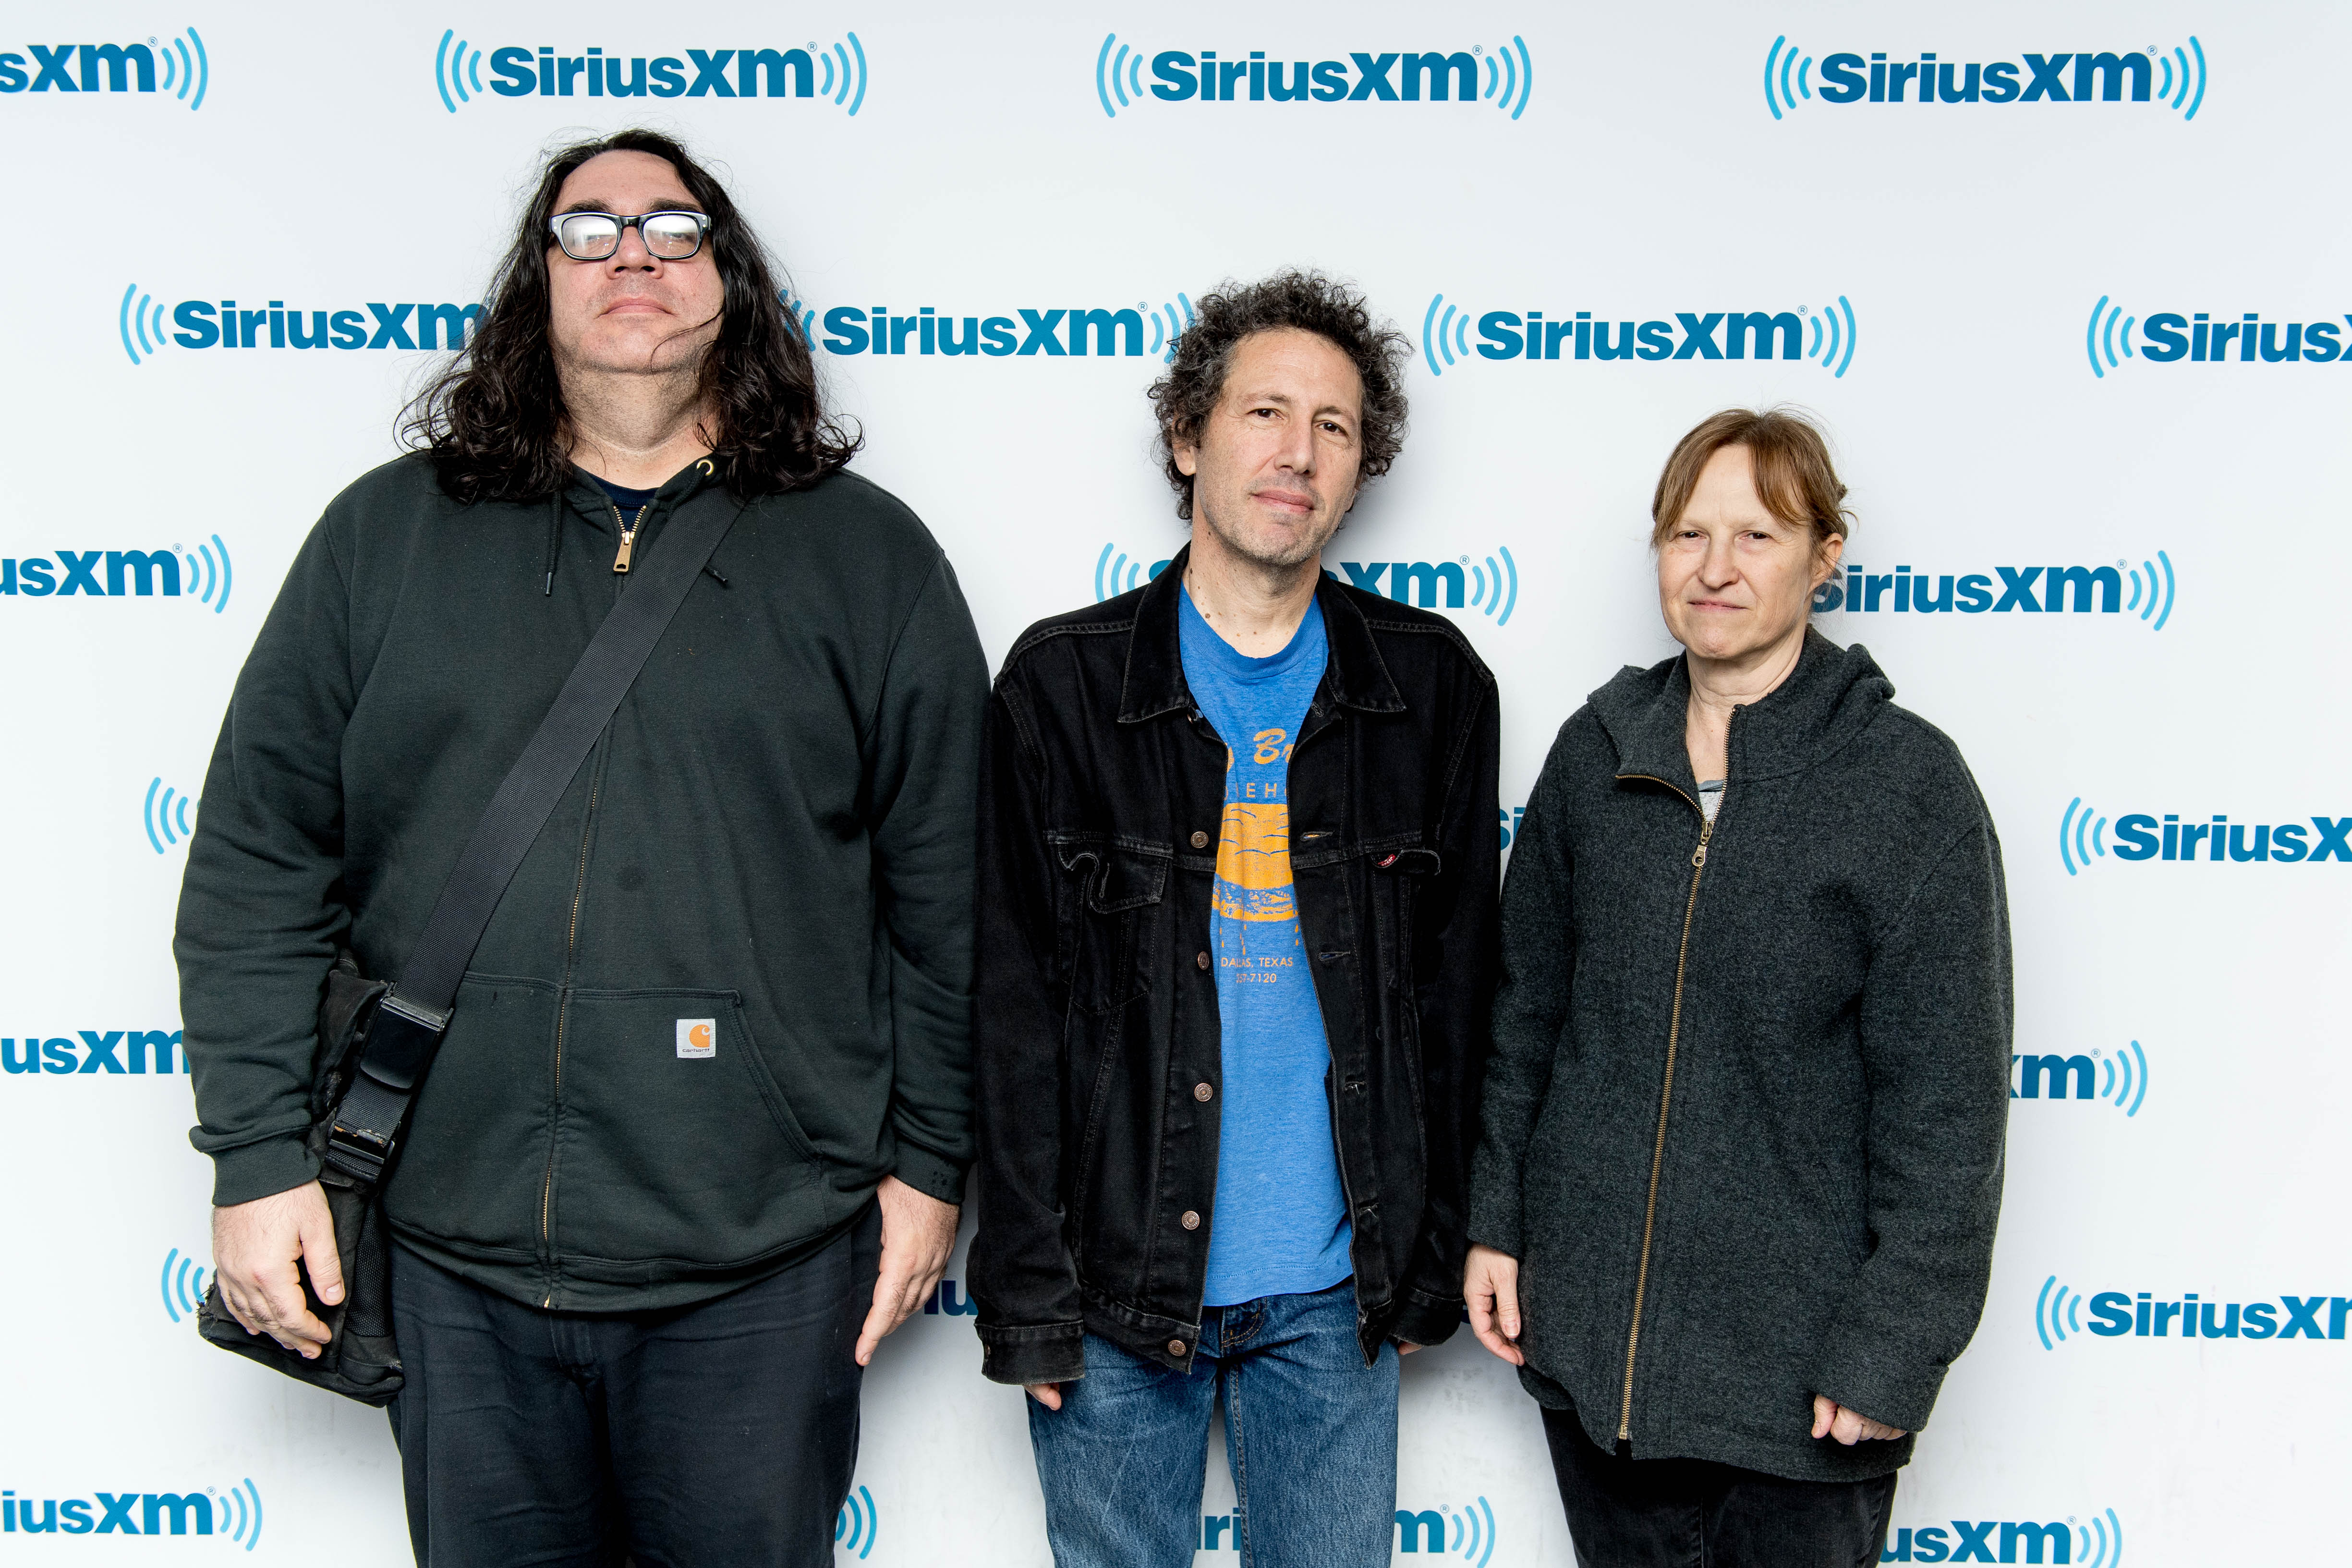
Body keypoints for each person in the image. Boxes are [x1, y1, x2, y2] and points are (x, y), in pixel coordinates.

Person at [175, 129, 988, 1566]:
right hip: (455, 1245)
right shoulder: (385, 540)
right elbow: (255, 859)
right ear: (534, 281)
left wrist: (928, 1169)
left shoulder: (869, 560)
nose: (632, 252)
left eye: (675, 229)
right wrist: (253, 1157)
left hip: (762, 1257)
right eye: (590, 226)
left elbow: (951, 903)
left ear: (725, 285)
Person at [968, 270, 1500, 1568]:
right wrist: (1030, 1293)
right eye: (1264, 411)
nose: (1297, 451)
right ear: (1188, 437)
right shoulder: (1063, 687)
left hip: (1333, 1294)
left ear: (1360, 466)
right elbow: (1010, 1008)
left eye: (1332, 425)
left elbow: (1462, 992)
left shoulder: (1427, 687)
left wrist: (1430, 1262)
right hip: (1108, 1286)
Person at [1464, 408, 2011, 1566]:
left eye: (1756, 536)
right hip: (1600, 1369)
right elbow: (1524, 1020)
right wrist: (1499, 1225)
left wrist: (1892, 1350)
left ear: (1824, 559)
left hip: (1804, 1394)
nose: (1713, 569)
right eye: (1685, 533)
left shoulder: (1907, 789)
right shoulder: (1596, 750)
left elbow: (1948, 1111)